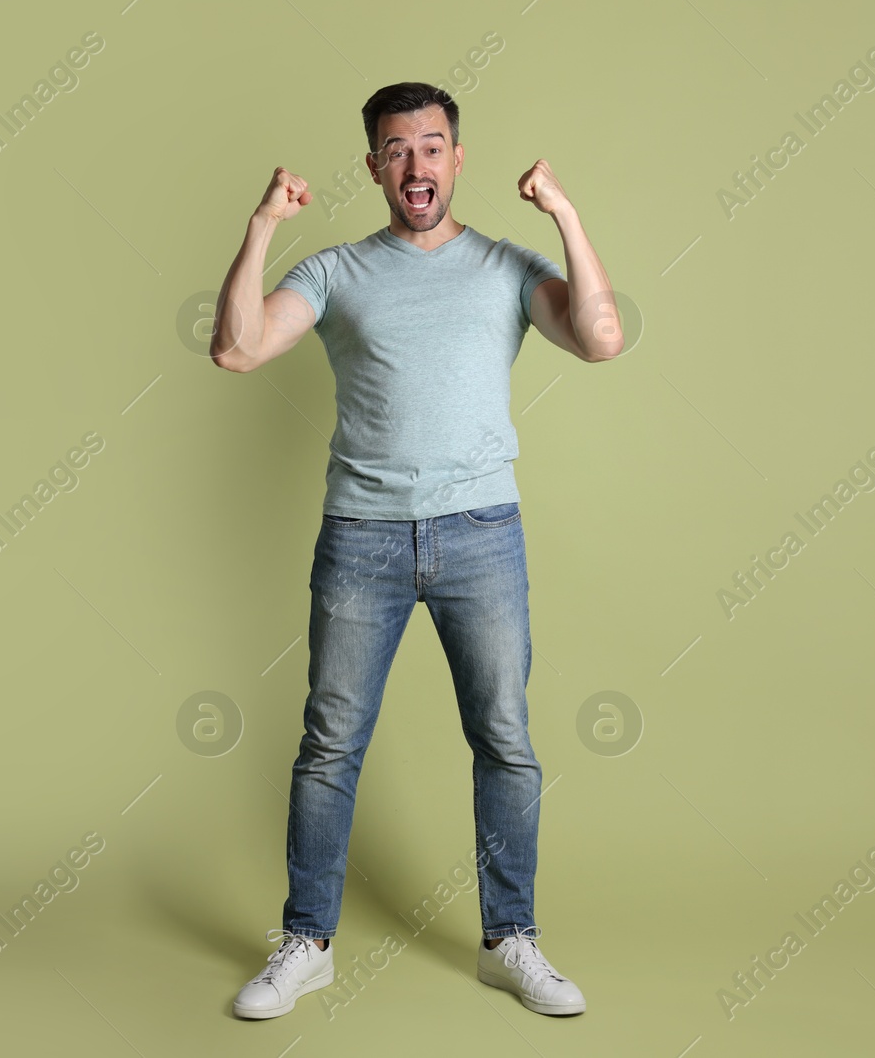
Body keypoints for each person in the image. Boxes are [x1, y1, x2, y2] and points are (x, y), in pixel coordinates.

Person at [210, 81, 621, 1020]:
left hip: (483, 535)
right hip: (361, 538)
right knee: (328, 745)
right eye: (396, 151)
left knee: (505, 741)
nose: (416, 166)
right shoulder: (337, 272)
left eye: (432, 147)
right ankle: (305, 941)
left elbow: (602, 338)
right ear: (374, 168)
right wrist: (263, 225)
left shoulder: (507, 267)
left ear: (457, 159)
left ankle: (509, 938)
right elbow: (235, 349)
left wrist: (564, 212)